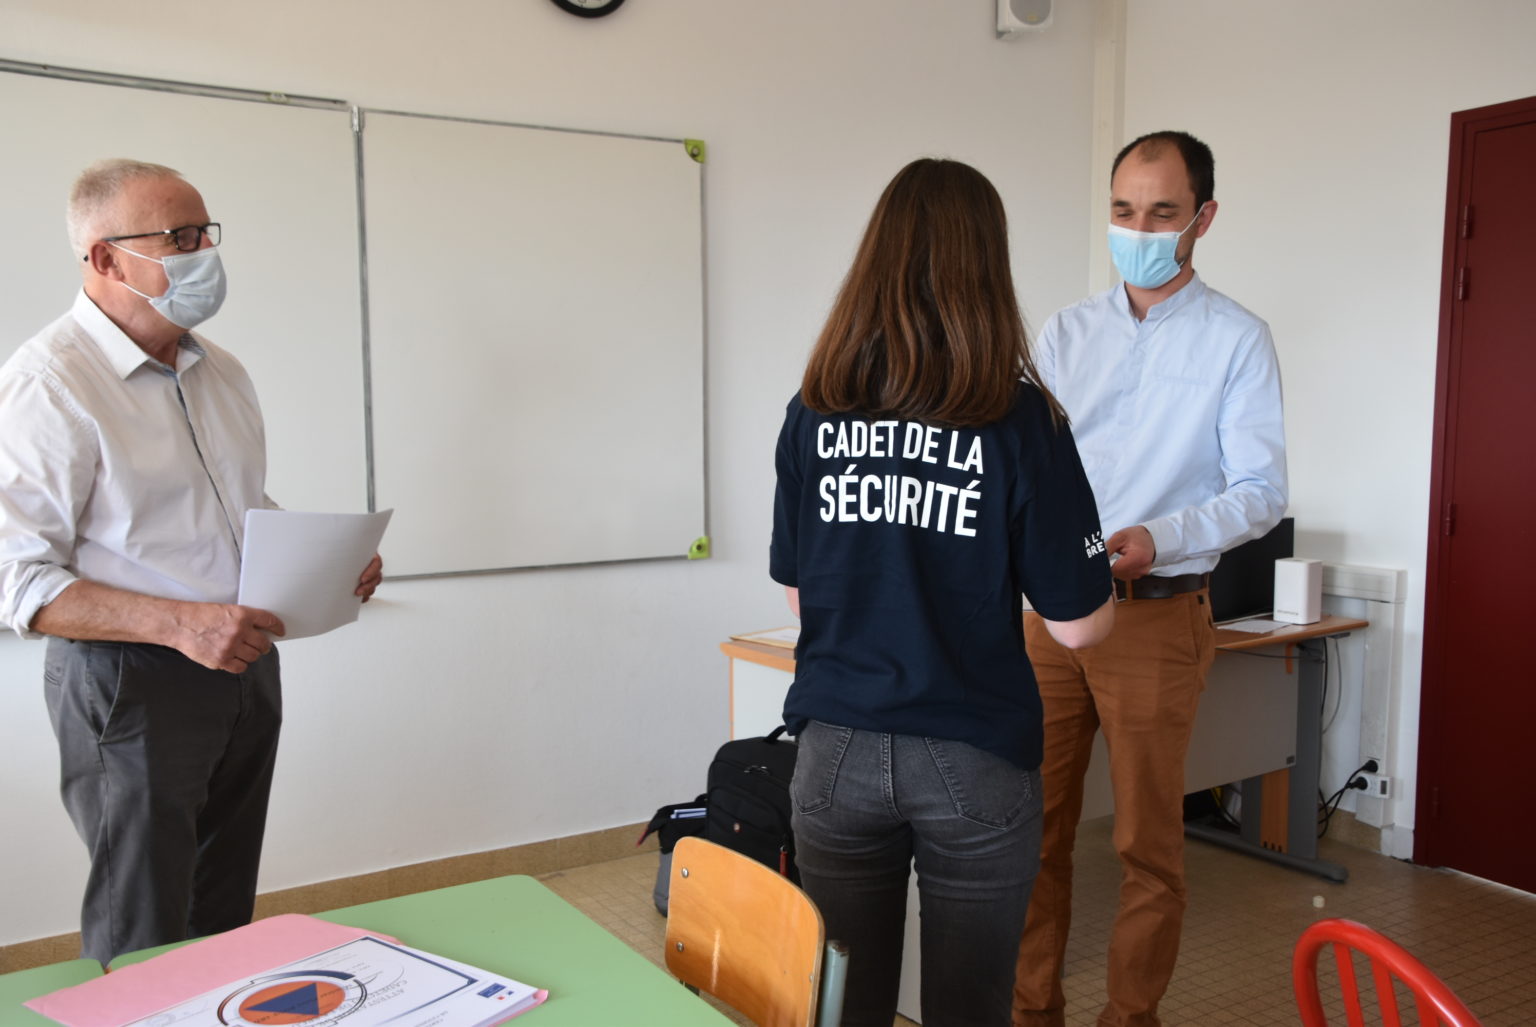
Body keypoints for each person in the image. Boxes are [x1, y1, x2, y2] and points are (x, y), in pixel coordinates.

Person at [0, 158, 383, 965]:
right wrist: (180, 624)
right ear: (105, 258)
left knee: (222, 910)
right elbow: (16, 575)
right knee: (142, 919)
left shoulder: (222, 371)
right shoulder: (48, 383)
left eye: (206, 232)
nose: (205, 252)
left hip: (243, 664)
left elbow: (235, 509)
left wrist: (328, 559)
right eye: (178, 237)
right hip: (129, 680)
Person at [770, 158, 1115, 1027]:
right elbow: (1078, 626)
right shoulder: (1022, 419)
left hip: (834, 747)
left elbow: (801, 599)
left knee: (845, 1006)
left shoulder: (813, 411)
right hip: (972, 752)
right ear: (986, 268)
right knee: (969, 1006)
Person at [1010, 131, 1288, 1027]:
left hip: (1156, 614)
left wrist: (1159, 538)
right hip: (1050, 617)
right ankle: (1031, 1011)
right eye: (1124, 211)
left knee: (1147, 846)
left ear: (1203, 219)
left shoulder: (1237, 339)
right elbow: (1024, 465)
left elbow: (1261, 492)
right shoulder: (1066, 332)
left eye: (1162, 213)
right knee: (1029, 833)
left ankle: (1130, 1018)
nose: (1138, 230)